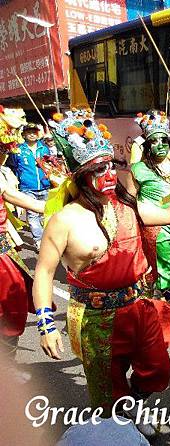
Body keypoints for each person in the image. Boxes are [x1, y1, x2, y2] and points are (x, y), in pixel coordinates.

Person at [33, 110, 170, 437]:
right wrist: (44, 324)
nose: (110, 173)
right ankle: (122, 424)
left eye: (111, 165)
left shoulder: (128, 203)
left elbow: (167, 213)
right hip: (97, 321)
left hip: (140, 308)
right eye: (99, 169)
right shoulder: (64, 220)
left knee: (157, 371)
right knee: (107, 397)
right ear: (80, 176)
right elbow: (43, 272)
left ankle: (134, 402)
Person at [0, 107, 46, 381]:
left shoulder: (2, 176)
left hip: (4, 251)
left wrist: (60, 207)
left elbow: (22, 200)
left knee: (14, 305)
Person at [128, 110, 170, 301]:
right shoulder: (137, 170)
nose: (160, 145)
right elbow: (129, 204)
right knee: (160, 281)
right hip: (154, 232)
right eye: (154, 141)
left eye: (163, 140)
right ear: (147, 145)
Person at [8, 122, 51, 249]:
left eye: (34, 132)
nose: (32, 134)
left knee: (46, 213)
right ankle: (39, 241)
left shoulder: (44, 148)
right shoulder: (18, 150)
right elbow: (13, 165)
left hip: (45, 185)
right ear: (24, 135)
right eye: (29, 132)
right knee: (32, 215)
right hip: (27, 188)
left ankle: (50, 237)